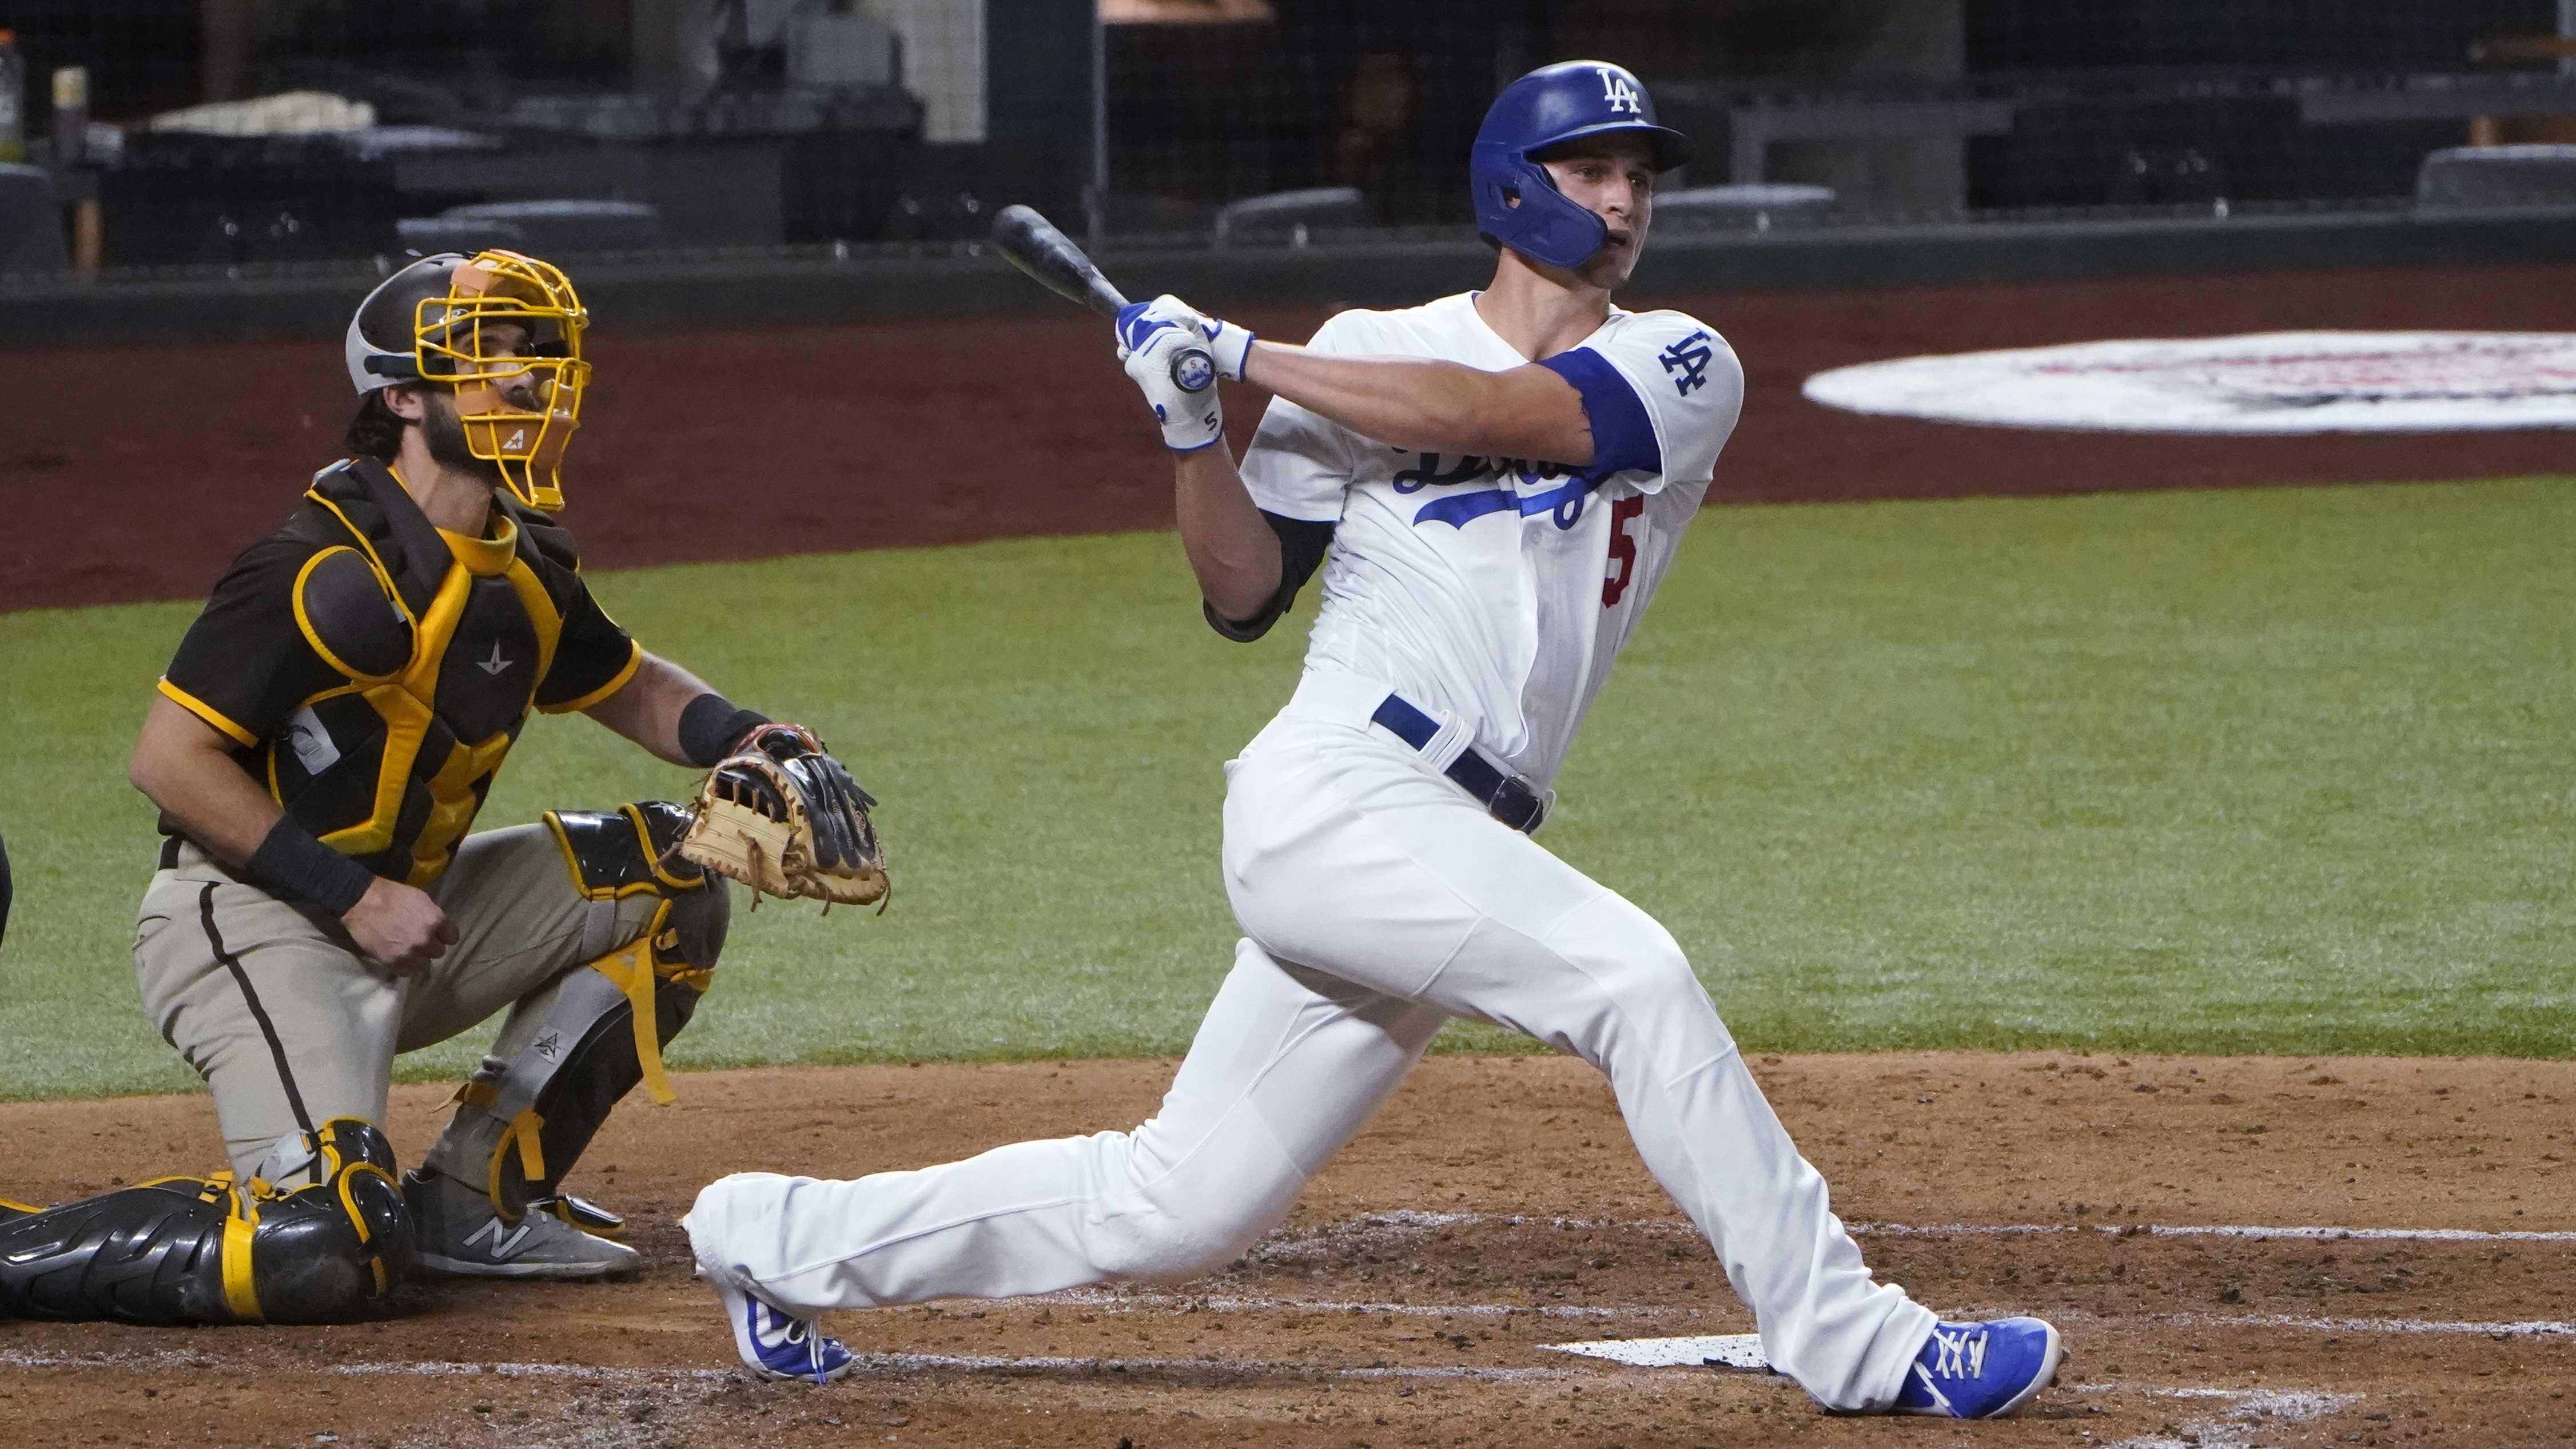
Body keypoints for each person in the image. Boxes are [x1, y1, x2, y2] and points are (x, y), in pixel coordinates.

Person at [682, 61, 2062, 1415]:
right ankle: (1860, 1342)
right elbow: (1241, 594)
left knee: (1173, 1204)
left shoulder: (1682, 357)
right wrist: (1187, 429)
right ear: (1516, 187)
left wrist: (1234, 352)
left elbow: (1495, 411)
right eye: (1596, 169)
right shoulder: (1354, 350)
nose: (1627, 199)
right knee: (1632, 979)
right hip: (1337, 794)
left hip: (1450, 838)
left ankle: (769, 1237)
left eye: (1640, 175)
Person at [0, 249, 866, 1326]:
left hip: (414, 921)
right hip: (250, 925)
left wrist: (756, 733)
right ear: (399, 396)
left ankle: (475, 1200)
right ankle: (18, 1252)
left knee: (675, 872)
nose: (525, 380)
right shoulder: (318, 568)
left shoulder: (521, 570)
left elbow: (631, 683)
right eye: (484, 356)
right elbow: (169, 763)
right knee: (326, 1244)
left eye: (533, 355)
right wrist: (353, 898)